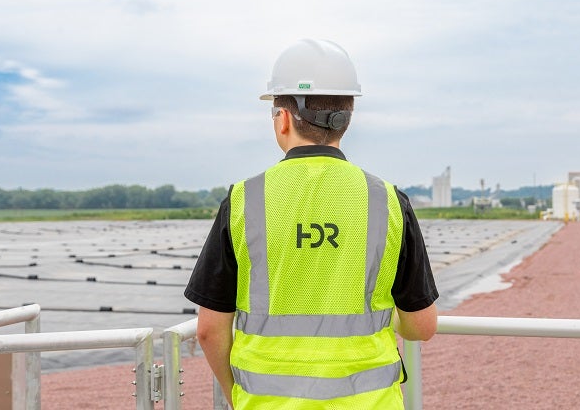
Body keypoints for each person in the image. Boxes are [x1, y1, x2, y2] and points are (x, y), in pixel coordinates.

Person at [184, 39, 439, 409]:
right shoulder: (388, 201)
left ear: (283, 118)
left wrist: (236, 395)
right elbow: (422, 327)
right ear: (346, 120)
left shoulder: (244, 200)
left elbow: (208, 331)